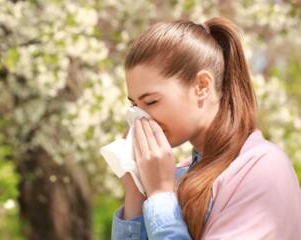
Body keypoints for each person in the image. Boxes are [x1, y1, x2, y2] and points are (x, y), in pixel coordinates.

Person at [111, 17, 301, 240]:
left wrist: (161, 195)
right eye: (134, 105)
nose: (139, 118)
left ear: (201, 86)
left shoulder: (261, 168)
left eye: (151, 102)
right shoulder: (181, 175)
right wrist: (137, 190)